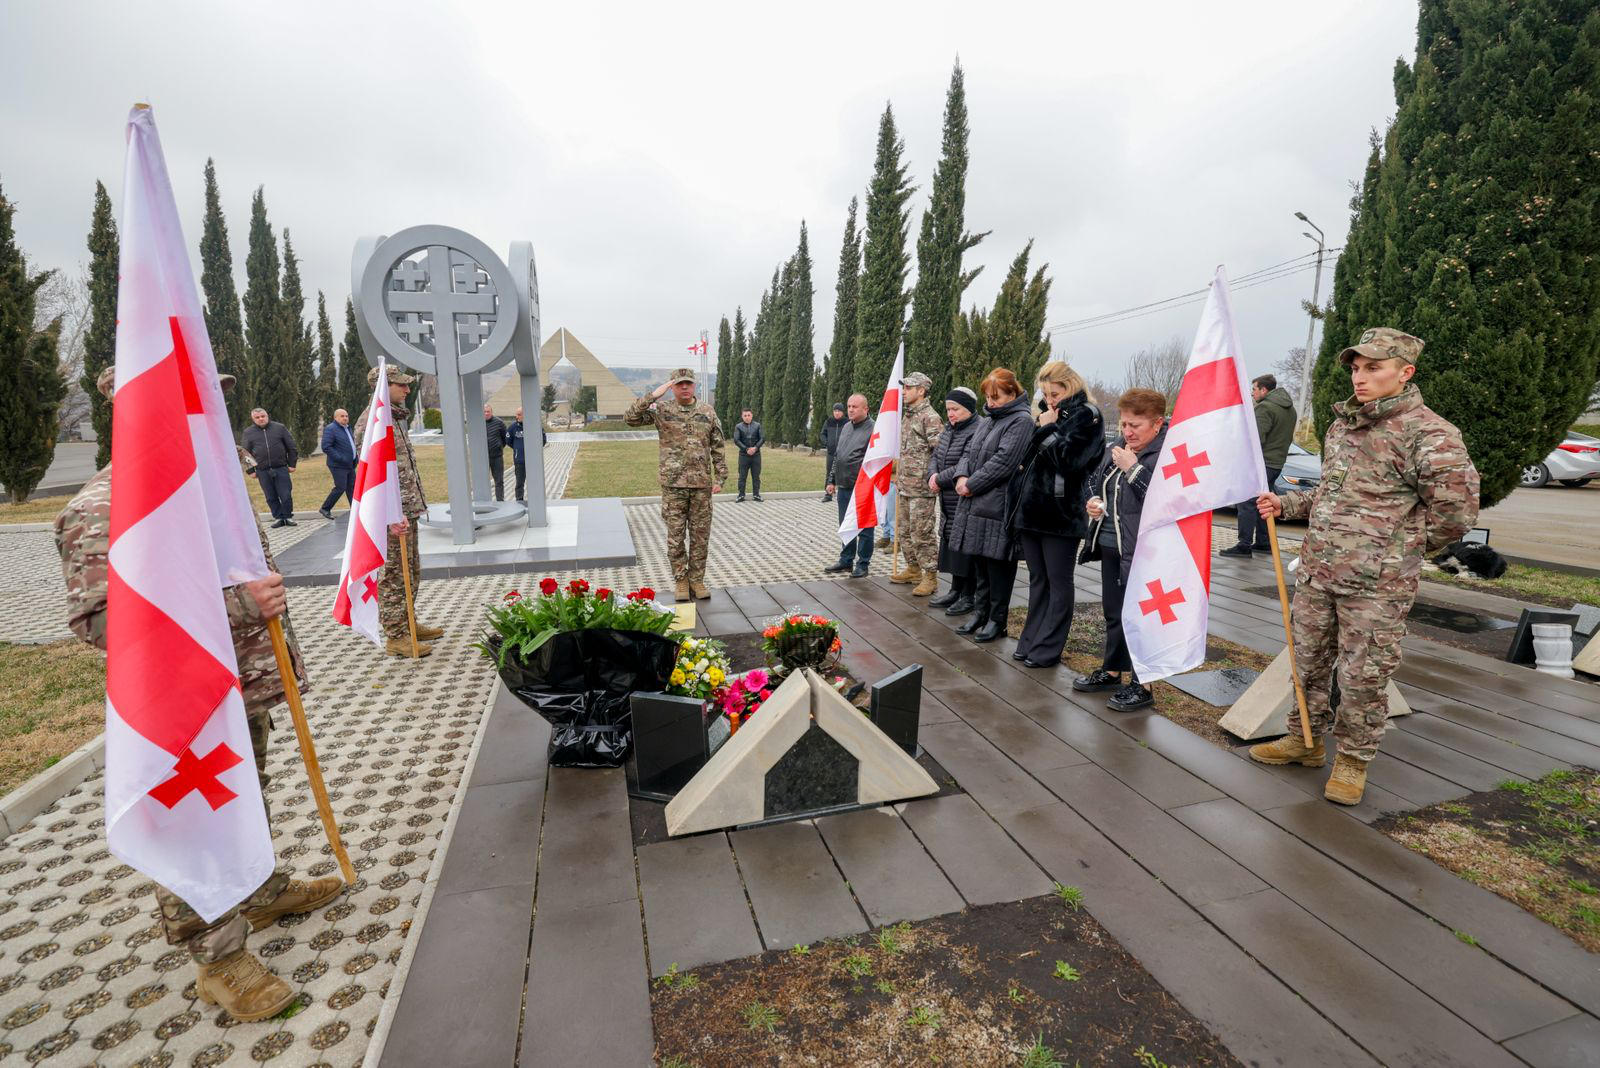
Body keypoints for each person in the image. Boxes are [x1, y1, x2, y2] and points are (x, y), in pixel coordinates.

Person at [56, 366, 344, 1023]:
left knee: (245, 796)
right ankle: (219, 960)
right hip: (178, 706)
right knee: (193, 822)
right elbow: (104, 622)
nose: (206, 403)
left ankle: (261, 887)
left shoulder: (210, 481)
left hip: (241, 685)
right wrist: (238, 605)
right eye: (186, 391)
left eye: (209, 391)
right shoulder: (104, 506)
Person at [1249, 328, 1478, 805]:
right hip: (1318, 572)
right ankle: (1305, 740)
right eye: (1356, 368)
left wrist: (1397, 548)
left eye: (1373, 367)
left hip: (1376, 586)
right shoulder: (1342, 427)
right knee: (1306, 662)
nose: (1360, 376)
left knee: (1363, 676)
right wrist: (1287, 504)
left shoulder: (1429, 432)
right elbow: (1331, 496)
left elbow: (1456, 511)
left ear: (1405, 372)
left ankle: (1353, 761)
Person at [1074, 388, 1168, 711]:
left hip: (1145, 551)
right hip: (1112, 544)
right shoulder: (1119, 448)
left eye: (1135, 426)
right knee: (1113, 612)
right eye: (1124, 424)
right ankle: (1113, 670)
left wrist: (1133, 468)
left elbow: (1162, 501)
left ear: (1157, 424)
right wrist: (1094, 501)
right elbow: (1093, 479)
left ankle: (1143, 685)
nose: (1127, 432)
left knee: (1140, 618)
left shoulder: (1164, 455)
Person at [1010, 362, 1105, 667]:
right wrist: (1044, 424)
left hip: (1062, 513)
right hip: (1033, 509)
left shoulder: (1087, 415)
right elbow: (1030, 459)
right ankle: (1030, 641)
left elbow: (1069, 461)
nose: (1049, 399)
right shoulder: (1047, 413)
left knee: (1058, 582)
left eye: (1055, 393)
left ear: (1070, 386)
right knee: (1038, 579)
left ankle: (1048, 648)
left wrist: (1047, 427)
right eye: (1045, 393)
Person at [357, 365, 443, 657]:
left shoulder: (393, 417)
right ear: (383, 386)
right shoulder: (374, 422)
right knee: (394, 573)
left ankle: (408, 624)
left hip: (406, 510)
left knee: (411, 569)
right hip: (391, 515)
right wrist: (390, 513)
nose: (407, 390)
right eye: (401, 385)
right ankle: (396, 636)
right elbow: (373, 474)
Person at [624, 368, 727, 601]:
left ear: (694, 386)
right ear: (672, 387)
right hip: (673, 486)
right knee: (675, 536)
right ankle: (681, 580)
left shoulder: (707, 412)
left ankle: (697, 580)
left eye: (688, 383)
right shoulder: (662, 410)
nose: (684, 387)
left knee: (700, 536)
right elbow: (630, 418)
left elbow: (718, 446)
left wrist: (720, 477)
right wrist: (653, 395)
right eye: (679, 384)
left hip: (701, 486)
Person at [947, 369, 1034, 642]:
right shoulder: (988, 421)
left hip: (997, 505)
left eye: (996, 397)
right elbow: (969, 452)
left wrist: (971, 484)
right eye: (987, 396)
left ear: (1012, 393)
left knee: (998, 566)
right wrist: (961, 475)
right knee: (979, 563)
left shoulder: (1021, 421)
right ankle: (980, 613)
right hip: (975, 503)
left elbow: (1004, 462)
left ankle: (998, 620)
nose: (991, 401)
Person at [1222, 373, 1298, 557]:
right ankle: (1264, 542)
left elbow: (1255, 439)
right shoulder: (1290, 410)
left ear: (1264, 390)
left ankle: (1244, 545)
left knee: (1247, 501)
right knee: (1265, 501)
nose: (1252, 393)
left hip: (1260, 463)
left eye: (1254, 389)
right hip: (1276, 463)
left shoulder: (1265, 408)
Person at [927, 387, 982, 615]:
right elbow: (936, 456)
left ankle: (968, 595)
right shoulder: (949, 429)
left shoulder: (977, 429)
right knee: (951, 545)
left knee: (965, 549)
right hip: (947, 499)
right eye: (948, 409)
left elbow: (966, 463)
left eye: (955, 409)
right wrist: (932, 473)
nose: (950, 413)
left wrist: (940, 478)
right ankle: (955, 590)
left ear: (968, 408)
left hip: (963, 498)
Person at [893, 371, 945, 595]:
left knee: (921, 533)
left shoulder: (929, 417)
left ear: (921, 391)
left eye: (908, 388)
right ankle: (913, 569)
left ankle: (930, 576)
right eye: (904, 387)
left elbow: (939, 452)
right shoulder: (908, 416)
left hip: (921, 490)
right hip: (905, 486)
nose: (904, 391)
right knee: (904, 531)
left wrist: (932, 478)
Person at [824, 393, 875, 577]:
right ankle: (846, 560)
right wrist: (831, 480)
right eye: (849, 406)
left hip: (863, 487)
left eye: (855, 406)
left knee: (864, 526)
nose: (851, 409)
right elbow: (838, 456)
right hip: (844, 485)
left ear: (865, 409)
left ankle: (863, 563)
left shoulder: (873, 429)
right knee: (846, 524)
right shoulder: (846, 427)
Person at [242, 407, 297, 527]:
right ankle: (278, 517)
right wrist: (250, 470)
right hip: (262, 470)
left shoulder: (280, 428)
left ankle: (288, 516)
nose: (261, 419)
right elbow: (245, 453)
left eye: (263, 416)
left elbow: (291, 447)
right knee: (270, 496)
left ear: (267, 416)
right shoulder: (248, 432)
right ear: (253, 419)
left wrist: (292, 464)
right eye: (257, 417)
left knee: (286, 494)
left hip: (281, 468)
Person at [318, 408, 357, 520]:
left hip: (350, 464)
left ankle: (355, 510)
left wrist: (355, 458)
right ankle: (325, 508)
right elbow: (326, 447)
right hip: (338, 465)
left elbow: (351, 444)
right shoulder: (331, 429)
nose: (345, 418)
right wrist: (341, 458)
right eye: (342, 416)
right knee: (340, 487)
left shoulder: (347, 428)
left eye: (346, 416)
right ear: (335, 418)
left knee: (352, 487)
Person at [734, 407, 765, 501]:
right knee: (742, 476)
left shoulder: (758, 425)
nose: (747, 417)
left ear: (752, 416)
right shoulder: (738, 426)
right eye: (745, 415)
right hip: (744, 456)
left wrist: (755, 448)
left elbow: (762, 438)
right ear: (742, 416)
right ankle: (741, 495)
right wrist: (746, 449)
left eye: (749, 415)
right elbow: (736, 440)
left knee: (756, 476)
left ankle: (756, 495)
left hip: (756, 455)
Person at [820, 402, 847, 501]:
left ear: (842, 412)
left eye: (839, 411)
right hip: (831, 452)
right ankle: (828, 494)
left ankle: (843, 494)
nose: (837, 413)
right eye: (835, 411)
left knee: (842, 472)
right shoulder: (828, 421)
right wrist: (827, 443)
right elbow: (822, 434)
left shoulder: (847, 422)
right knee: (829, 472)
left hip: (843, 453)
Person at [483, 403, 508, 502]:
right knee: (483, 481)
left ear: (491, 412)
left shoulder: (499, 423)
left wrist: (499, 447)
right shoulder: (478, 423)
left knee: (499, 481)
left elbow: (505, 438)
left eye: (488, 411)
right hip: (483, 457)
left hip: (497, 457)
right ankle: (485, 502)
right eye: (484, 412)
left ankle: (500, 501)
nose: (486, 413)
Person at [508, 407, 527, 501]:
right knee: (519, 482)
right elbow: (508, 441)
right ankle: (519, 500)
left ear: (525, 415)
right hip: (519, 460)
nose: (516, 416)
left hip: (533, 460)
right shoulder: (512, 427)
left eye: (519, 414)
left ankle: (535, 500)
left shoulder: (534, 425)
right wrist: (517, 449)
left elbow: (543, 439)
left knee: (535, 482)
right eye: (516, 414)